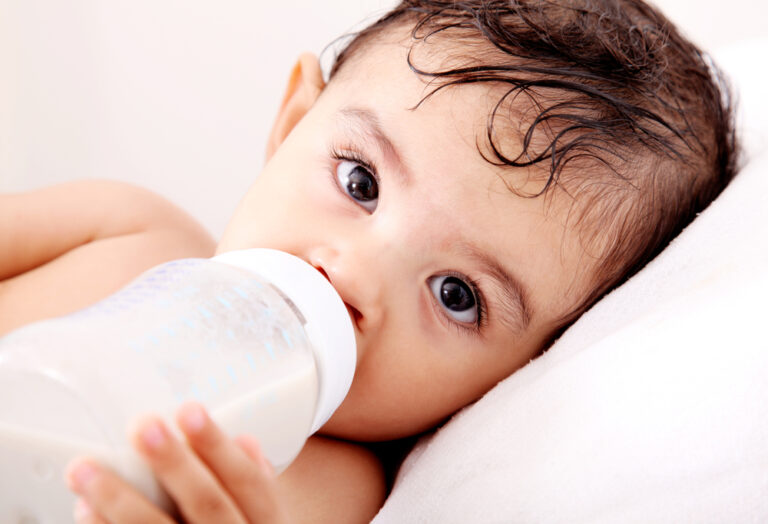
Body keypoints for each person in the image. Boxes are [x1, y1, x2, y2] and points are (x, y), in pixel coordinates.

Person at [0, 0, 737, 522]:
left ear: (519, 375)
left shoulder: (336, 491)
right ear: (293, 124)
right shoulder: (122, 224)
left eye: (457, 294)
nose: (351, 274)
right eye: (360, 182)